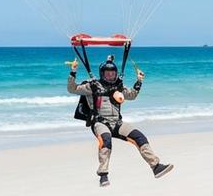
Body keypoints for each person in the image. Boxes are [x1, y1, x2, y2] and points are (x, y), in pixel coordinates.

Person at [68, 56, 174, 187]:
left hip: (117, 123)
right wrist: (73, 71)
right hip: (100, 123)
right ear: (102, 73)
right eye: (107, 73)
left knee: (139, 137)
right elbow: (72, 89)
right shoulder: (92, 86)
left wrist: (139, 81)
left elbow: (131, 95)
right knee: (106, 140)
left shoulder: (119, 87)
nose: (110, 75)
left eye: (113, 73)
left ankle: (156, 167)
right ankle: (103, 174)